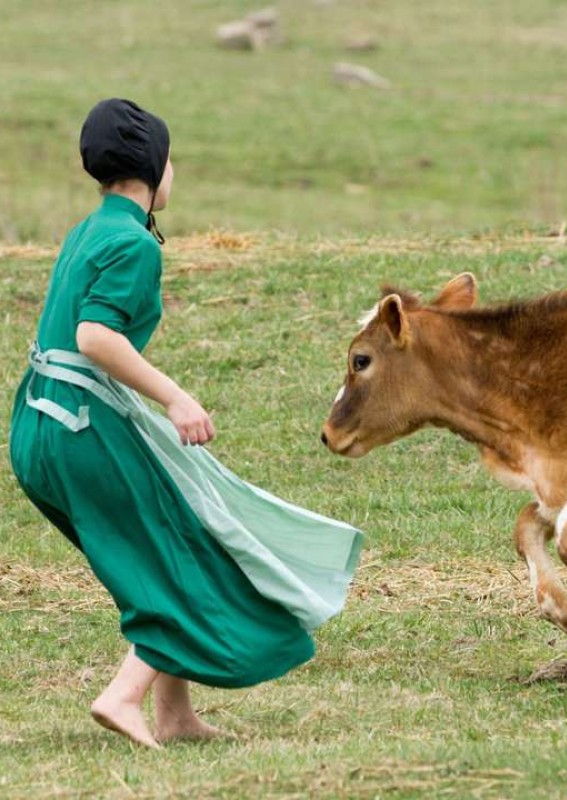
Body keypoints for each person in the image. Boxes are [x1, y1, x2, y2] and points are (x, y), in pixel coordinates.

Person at [7, 98, 363, 748]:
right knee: (175, 558)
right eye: (172, 158)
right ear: (152, 166)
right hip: (83, 430)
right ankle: (123, 695)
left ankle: (173, 713)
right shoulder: (132, 243)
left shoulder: (87, 230)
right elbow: (93, 336)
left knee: (155, 553)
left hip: (37, 428)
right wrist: (175, 397)